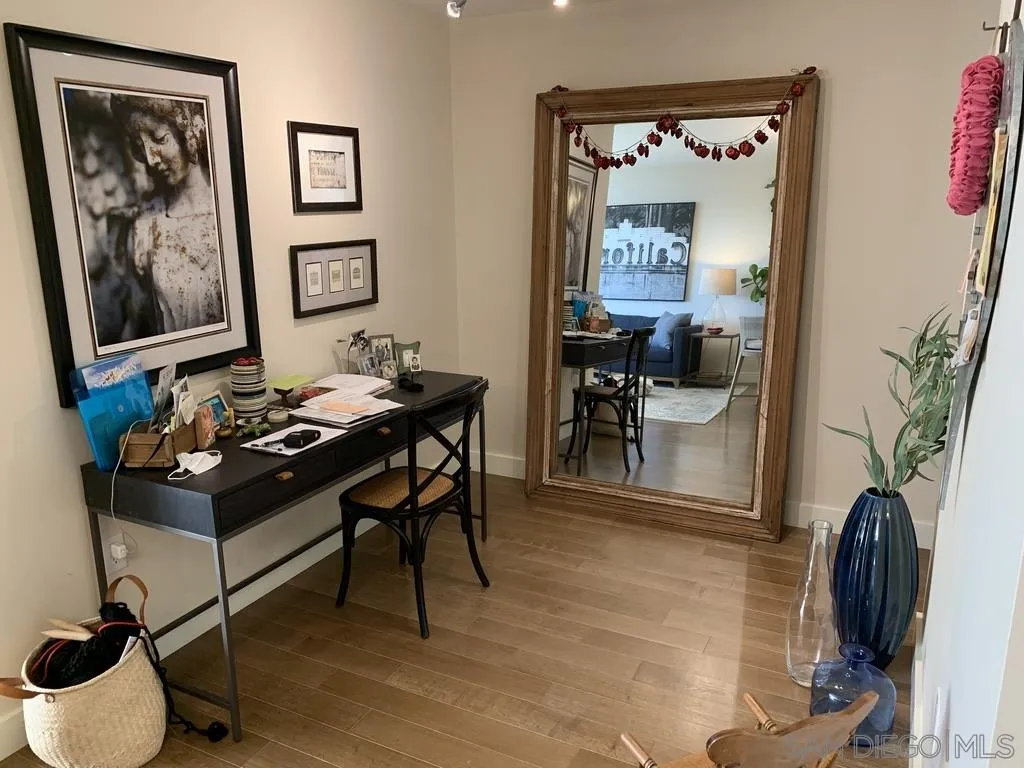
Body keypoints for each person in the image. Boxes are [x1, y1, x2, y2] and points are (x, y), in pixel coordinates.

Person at [110, 94, 225, 337]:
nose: (150, 159)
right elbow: (135, 324)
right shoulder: (144, 226)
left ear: (188, 131)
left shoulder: (230, 216)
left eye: (159, 138)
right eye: (140, 146)